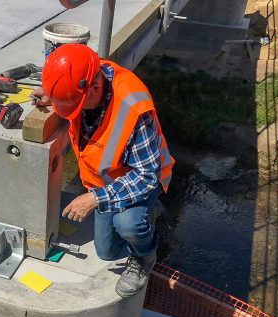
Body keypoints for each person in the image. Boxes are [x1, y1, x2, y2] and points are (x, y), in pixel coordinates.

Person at [33, 44, 174, 298]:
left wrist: (95, 198)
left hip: (141, 180)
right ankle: (138, 220)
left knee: (128, 224)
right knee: (106, 252)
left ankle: (146, 254)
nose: (71, 112)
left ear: (95, 89)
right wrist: (55, 96)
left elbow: (147, 176)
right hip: (103, 180)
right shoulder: (88, 76)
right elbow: (73, 90)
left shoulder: (133, 109)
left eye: (74, 105)